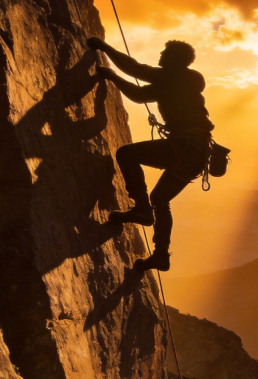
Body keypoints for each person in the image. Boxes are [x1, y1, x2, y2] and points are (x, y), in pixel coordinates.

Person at [87, 36, 214, 272]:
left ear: (174, 59)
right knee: (161, 200)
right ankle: (161, 256)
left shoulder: (173, 76)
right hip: (196, 152)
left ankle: (142, 209)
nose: (160, 57)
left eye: (165, 54)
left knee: (127, 154)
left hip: (185, 146)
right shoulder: (182, 81)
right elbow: (140, 90)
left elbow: (135, 72)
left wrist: (104, 52)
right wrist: (113, 74)